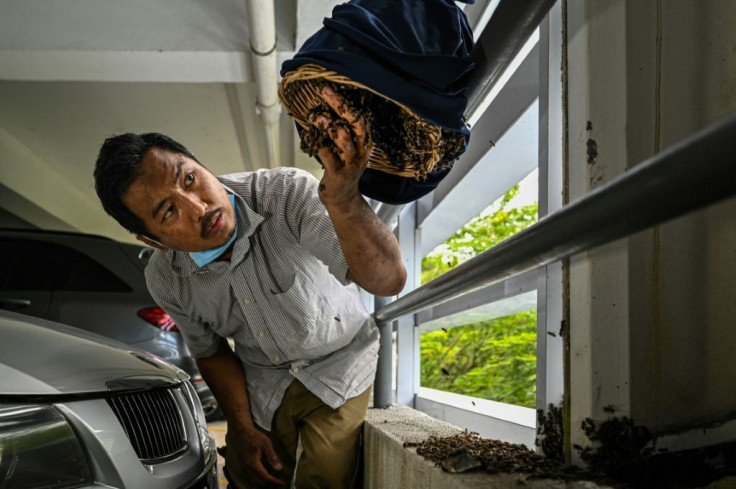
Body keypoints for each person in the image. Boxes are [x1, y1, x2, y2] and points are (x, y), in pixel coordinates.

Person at [93, 86, 407, 489]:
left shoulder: (285, 193)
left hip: (339, 361)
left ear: (202, 165)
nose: (199, 207)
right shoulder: (166, 276)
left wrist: (345, 202)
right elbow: (210, 352)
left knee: (321, 478)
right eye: (169, 211)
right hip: (265, 382)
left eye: (190, 178)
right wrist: (240, 428)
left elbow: (389, 280)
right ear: (154, 241)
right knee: (247, 474)